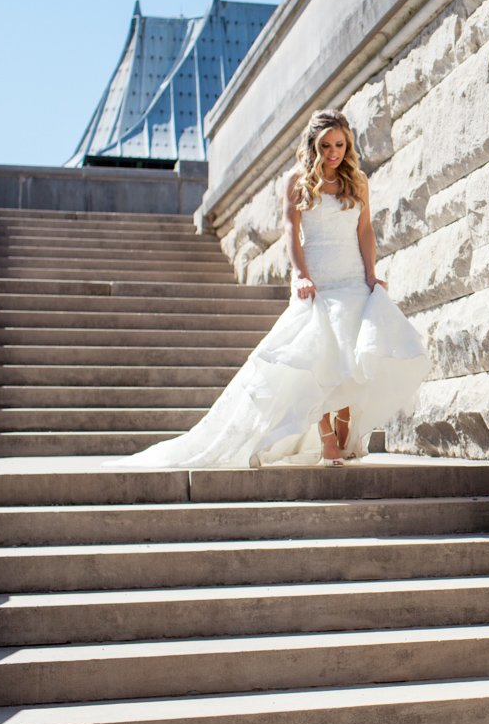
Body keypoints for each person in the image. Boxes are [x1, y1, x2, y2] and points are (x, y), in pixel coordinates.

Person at [119, 110, 429, 469]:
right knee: (318, 358)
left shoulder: (357, 180)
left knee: (351, 355)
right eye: (325, 145)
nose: (333, 152)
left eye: (340, 144)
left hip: (353, 277)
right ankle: (326, 435)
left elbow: (364, 231)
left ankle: (345, 419)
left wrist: (371, 274)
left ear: (348, 143)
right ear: (313, 145)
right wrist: (300, 275)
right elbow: (289, 231)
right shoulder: (297, 180)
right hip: (319, 279)